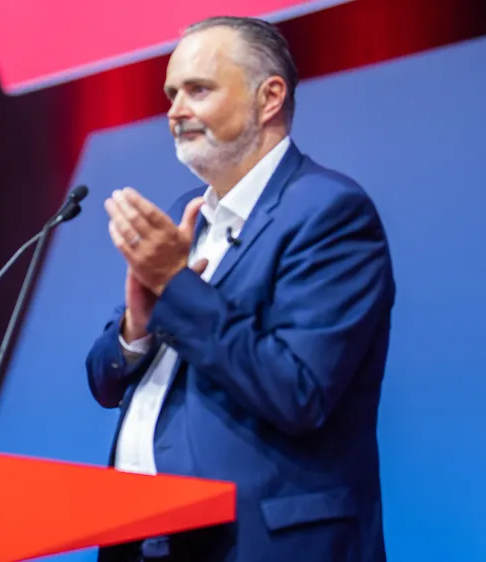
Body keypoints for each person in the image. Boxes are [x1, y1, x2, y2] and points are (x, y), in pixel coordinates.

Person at [87, 16, 393, 562]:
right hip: (140, 540)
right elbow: (104, 383)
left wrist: (174, 286)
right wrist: (137, 326)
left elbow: (297, 391)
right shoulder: (191, 213)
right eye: (170, 94)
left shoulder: (329, 214)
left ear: (269, 97)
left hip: (256, 544)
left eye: (197, 90)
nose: (175, 111)